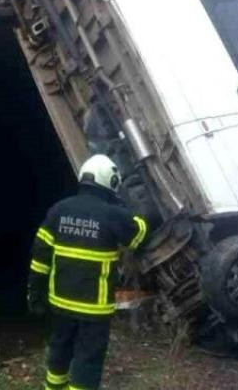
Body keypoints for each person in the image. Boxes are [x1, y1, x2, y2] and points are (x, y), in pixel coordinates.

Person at [28, 154, 149, 390]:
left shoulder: (58, 210)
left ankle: (53, 387)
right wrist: (124, 206)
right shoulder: (113, 215)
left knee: (60, 347)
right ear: (110, 182)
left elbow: (40, 258)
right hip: (94, 308)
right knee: (88, 358)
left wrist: (35, 292)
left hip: (60, 301)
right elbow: (139, 235)